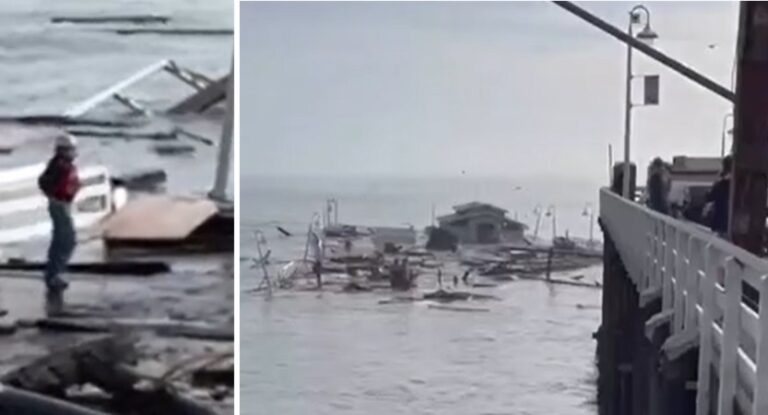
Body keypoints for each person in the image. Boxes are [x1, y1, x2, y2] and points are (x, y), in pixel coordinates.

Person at [38, 134, 81, 292]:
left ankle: (54, 273)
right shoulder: (60, 166)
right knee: (66, 240)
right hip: (59, 205)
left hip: (63, 204)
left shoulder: (63, 165)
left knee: (62, 239)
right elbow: (44, 182)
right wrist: (55, 195)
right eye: (71, 149)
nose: (74, 152)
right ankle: (54, 274)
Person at [705, 155, 732, 237]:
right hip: (733, 223)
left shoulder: (721, 183)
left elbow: (710, 197)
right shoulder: (741, 182)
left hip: (720, 222)